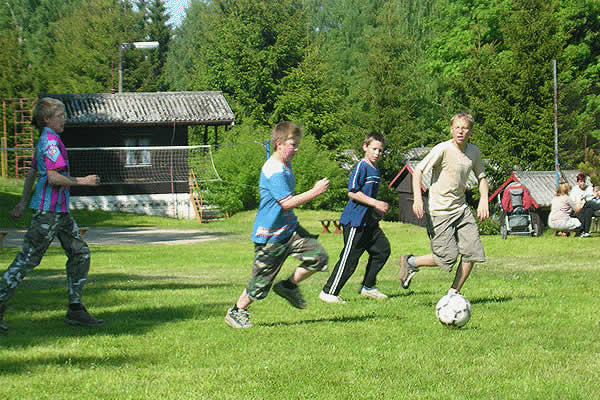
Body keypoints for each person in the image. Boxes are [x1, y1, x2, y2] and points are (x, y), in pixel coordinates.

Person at [0, 97, 104, 333]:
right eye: (60, 115)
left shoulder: (46, 140)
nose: (64, 119)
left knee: (80, 253)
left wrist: (21, 204)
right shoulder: (51, 143)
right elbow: (54, 177)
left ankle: (75, 309)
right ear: (46, 119)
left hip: (61, 214)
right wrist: (83, 181)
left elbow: (31, 174)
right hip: (49, 215)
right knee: (27, 260)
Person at [225, 121, 329, 329]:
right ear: (279, 143)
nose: (296, 149)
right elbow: (287, 203)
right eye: (293, 145)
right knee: (261, 282)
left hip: (290, 230)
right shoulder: (274, 170)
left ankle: (288, 286)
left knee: (318, 257)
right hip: (270, 236)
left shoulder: (285, 164)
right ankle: (237, 311)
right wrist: (315, 191)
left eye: (297, 145)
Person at [398, 112, 489, 295]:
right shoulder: (443, 149)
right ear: (451, 130)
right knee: (446, 258)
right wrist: (417, 198)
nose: (460, 132)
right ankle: (410, 262)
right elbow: (418, 171)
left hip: (461, 209)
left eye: (464, 128)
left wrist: (484, 200)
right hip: (439, 211)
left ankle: (453, 293)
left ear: (470, 131)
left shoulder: (474, 152)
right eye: (457, 128)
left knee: (471, 252)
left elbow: (481, 177)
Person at [319, 132, 390, 304]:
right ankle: (329, 292)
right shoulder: (361, 166)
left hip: (369, 222)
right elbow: (352, 191)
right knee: (350, 258)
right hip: (355, 221)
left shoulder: (376, 170)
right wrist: (375, 203)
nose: (377, 153)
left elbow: (369, 196)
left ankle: (368, 287)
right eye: (374, 149)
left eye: (380, 151)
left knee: (382, 250)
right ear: (365, 147)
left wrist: (377, 211)